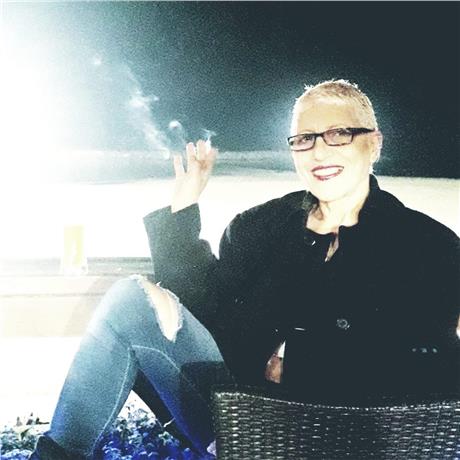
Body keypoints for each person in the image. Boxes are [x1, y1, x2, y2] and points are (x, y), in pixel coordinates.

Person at [30, 79, 460, 459]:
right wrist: (182, 211)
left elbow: (433, 366)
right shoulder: (259, 226)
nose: (319, 151)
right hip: (242, 425)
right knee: (129, 301)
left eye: (339, 134)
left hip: (357, 439)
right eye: (304, 139)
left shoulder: (427, 245)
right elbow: (205, 312)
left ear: (374, 144)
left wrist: (302, 362)